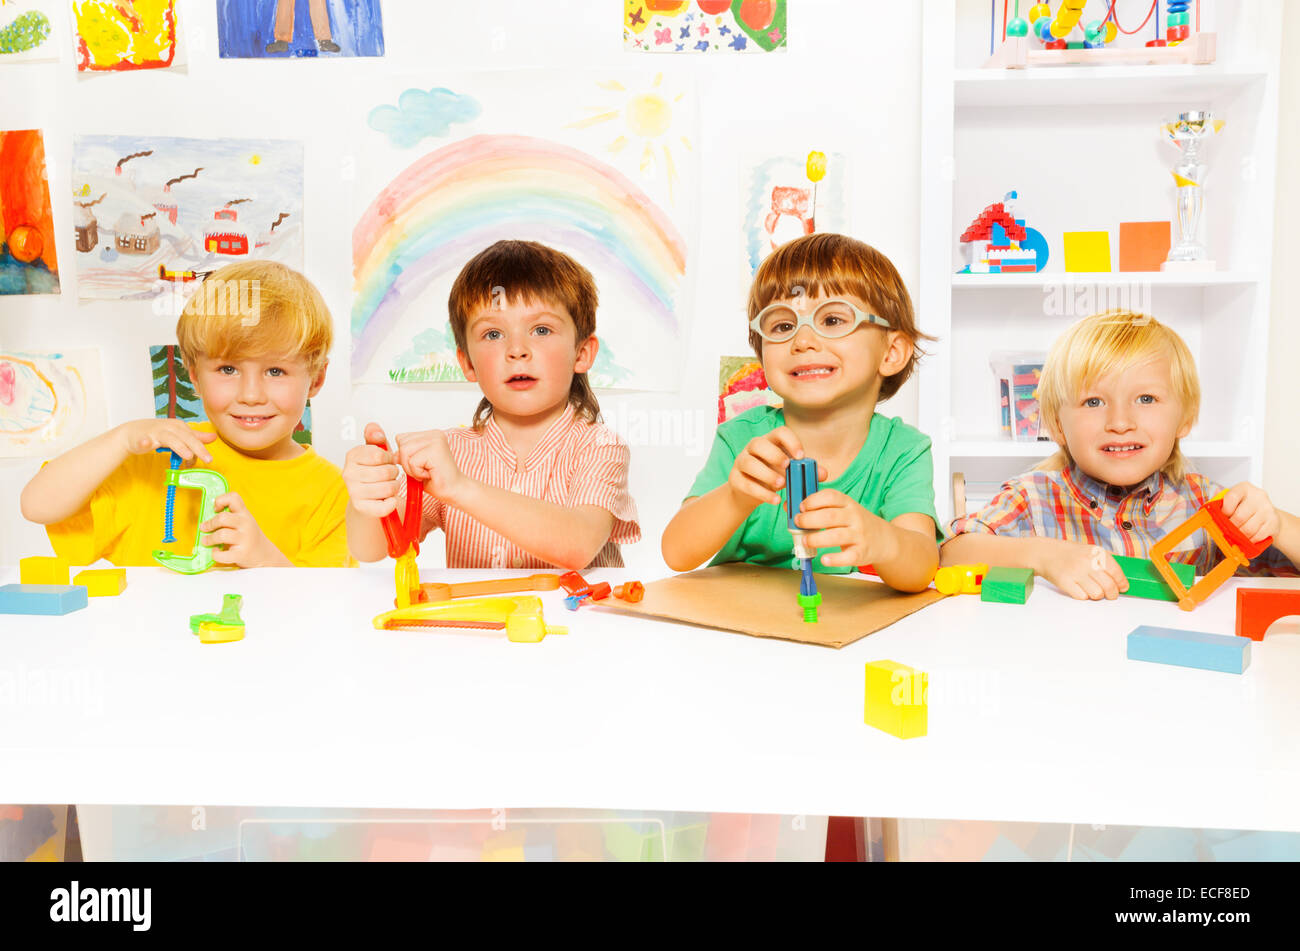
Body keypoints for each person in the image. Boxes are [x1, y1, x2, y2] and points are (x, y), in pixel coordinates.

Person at [942, 310, 1300, 599]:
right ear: (1056, 425)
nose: (1120, 422)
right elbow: (949, 554)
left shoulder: (1207, 501)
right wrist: (1045, 557)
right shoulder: (1032, 498)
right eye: (1093, 401)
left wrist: (1278, 524)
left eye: (1146, 399)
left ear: (1186, 418)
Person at [21, 261, 352, 567]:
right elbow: (37, 505)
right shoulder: (156, 459)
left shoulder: (332, 492)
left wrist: (266, 559)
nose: (251, 395)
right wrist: (122, 438)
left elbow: (323, 612)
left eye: (276, 371)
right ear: (194, 374)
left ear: (317, 379)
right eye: (227, 369)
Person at [662, 232, 940, 593]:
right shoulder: (743, 440)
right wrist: (736, 496)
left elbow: (921, 568)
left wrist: (884, 540)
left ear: (891, 353)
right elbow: (676, 553)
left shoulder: (903, 450)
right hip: (741, 632)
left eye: (834, 320)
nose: (803, 341)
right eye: (782, 325)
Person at [344, 240, 639, 570]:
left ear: (582, 353)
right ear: (467, 363)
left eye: (541, 329)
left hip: (578, 623)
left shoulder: (600, 447)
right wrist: (369, 499)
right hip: (482, 623)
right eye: (493, 334)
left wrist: (460, 487)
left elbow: (577, 546)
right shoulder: (449, 452)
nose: (517, 349)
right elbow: (371, 549)